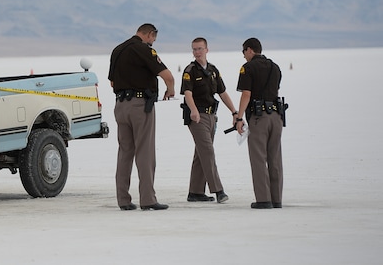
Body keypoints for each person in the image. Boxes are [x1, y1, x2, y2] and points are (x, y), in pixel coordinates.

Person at [108, 23, 175, 211]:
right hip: (140, 107)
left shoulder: (117, 50)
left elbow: (112, 81)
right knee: (145, 152)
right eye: (153, 39)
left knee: (124, 153)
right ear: (150, 34)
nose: (153, 42)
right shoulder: (143, 50)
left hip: (120, 106)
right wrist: (170, 91)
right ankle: (148, 199)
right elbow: (168, 76)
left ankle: (123, 199)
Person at [180, 37, 237, 204]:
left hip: (212, 116)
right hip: (197, 118)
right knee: (208, 152)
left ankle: (195, 192)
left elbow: (222, 92)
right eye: (194, 49)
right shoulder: (190, 70)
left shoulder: (213, 70)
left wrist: (234, 112)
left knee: (201, 154)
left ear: (206, 49)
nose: (197, 52)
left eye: (199, 49)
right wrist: (194, 110)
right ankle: (218, 190)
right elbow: (187, 93)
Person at [235, 37, 284, 209]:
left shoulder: (248, 68)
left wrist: (239, 117)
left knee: (258, 159)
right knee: (275, 158)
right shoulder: (275, 67)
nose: (243, 56)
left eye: (243, 52)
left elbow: (246, 94)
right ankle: (276, 199)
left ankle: (264, 200)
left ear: (249, 50)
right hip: (276, 117)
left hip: (259, 118)